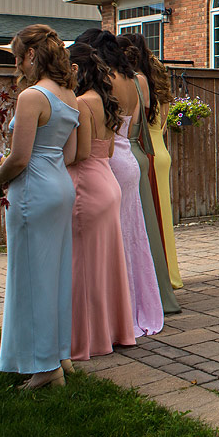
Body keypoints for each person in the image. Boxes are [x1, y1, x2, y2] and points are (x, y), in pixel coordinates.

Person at [0, 25, 79, 390]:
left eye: (16, 56)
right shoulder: (69, 95)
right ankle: (59, 354)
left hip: (32, 192)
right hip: (59, 186)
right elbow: (70, 154)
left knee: (30, 279)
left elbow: (20, 157)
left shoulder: (31, 97)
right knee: (54, 275)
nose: (15, 64)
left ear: (30, 54)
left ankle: (44, 369)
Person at [75, 29, 166, 335]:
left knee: (113, 241)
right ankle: (139, 304)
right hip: (131, 159)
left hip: (108, 160)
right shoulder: (136, 80)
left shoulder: (102, 83)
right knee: (133, 238)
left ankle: (115, 312)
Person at [66, 43, 137, 360]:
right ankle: (115, 331)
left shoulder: (81, 103)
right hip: (109, 183)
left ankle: (88, 339)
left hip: (87, 185)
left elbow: (79, 154)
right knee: (109, 264)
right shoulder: (106, 102)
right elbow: (107, 152)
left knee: (84, 267)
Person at [118, 33, 181, 289]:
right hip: (161, 147)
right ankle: (169, 273)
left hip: (146, 149)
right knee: (162, 217)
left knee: (149, 217)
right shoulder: (156, 81)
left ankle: (157, 276)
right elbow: (163, 126)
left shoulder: (135, 83)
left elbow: (135, 125)